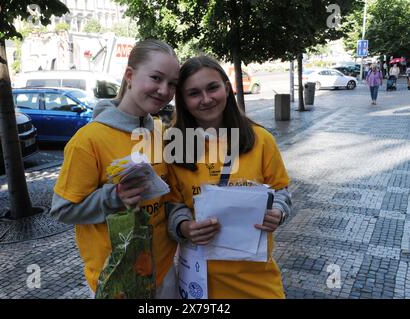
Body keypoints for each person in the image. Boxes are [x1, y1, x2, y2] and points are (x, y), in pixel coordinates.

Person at [49, 39, 180, 298]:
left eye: (172, 83)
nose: (164, 90)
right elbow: (62, 210)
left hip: (165, 273)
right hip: (117, 280)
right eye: (156, 77)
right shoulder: (88, 140)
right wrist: (114, 197)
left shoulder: (161, 133)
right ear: (129, 76)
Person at [166, 55, 292, 298]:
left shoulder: (260, 140)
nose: (206, 99)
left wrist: (278, 212)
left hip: (256, 276)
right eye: (193, 93)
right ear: (182, 100)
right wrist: (184, 227)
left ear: (226, 87)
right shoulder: (174, 146)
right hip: (198, 279)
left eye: (212, 87)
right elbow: (172, 204)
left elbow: (281, 191)